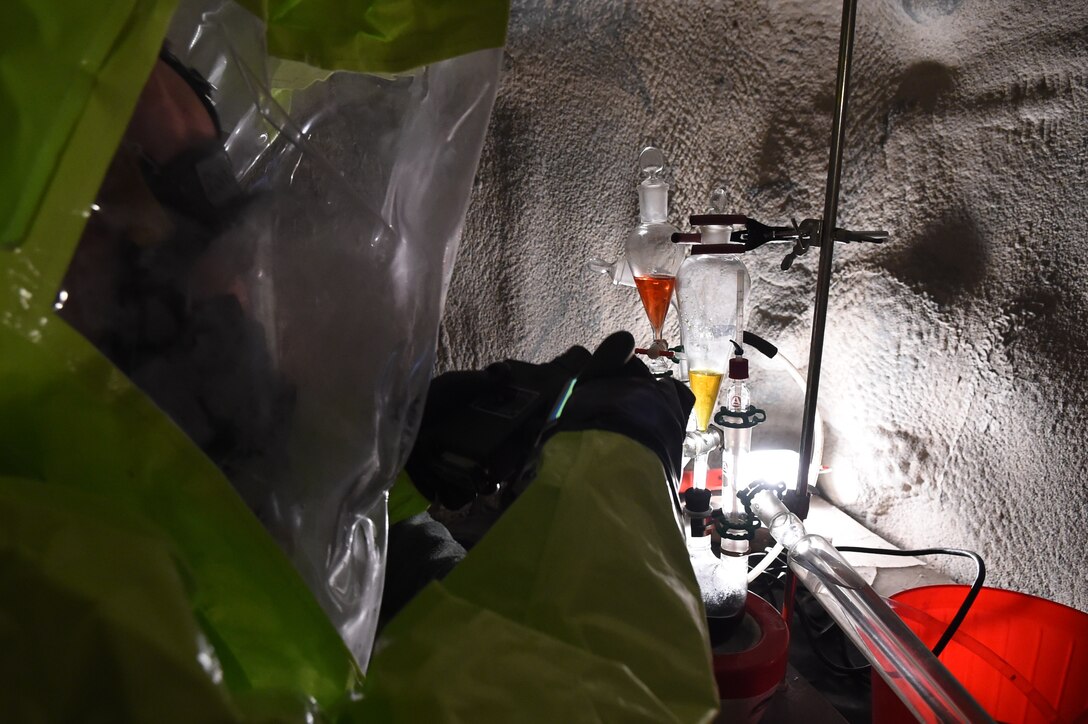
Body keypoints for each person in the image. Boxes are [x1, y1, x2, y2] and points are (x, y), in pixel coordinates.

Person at [0, 10, 719, 723]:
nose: (229, 285)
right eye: (136, 238)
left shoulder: (131, 506)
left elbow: (308, 633)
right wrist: (612, 471)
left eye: (216, 206)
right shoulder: (42, 603)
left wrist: (377, 499)